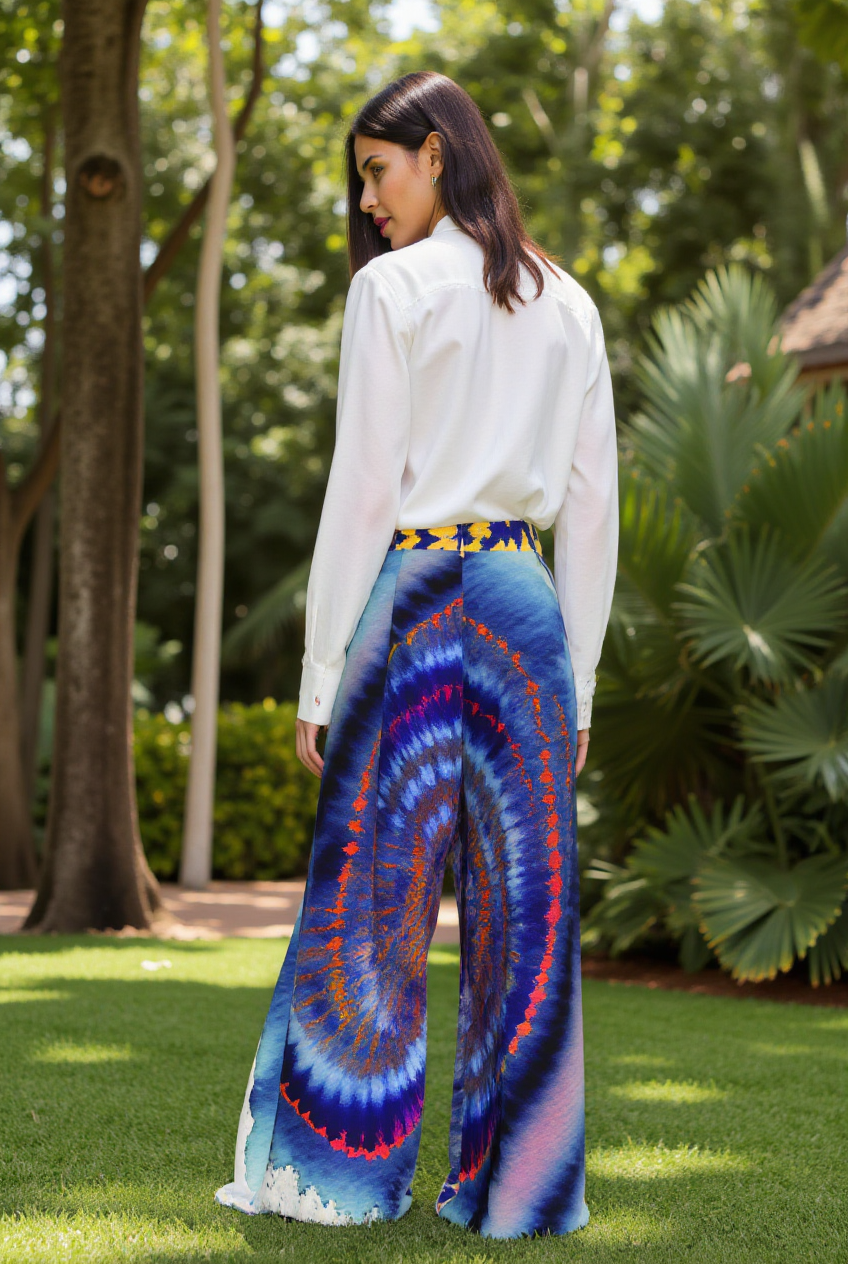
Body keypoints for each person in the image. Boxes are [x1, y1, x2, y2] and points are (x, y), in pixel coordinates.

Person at [215, 69, 618, 1239]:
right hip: (524, 606)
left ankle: (335, 1178)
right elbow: (590, 508)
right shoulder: (570, 303)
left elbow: (362, 488)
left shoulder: (389, 289)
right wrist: (579, 679)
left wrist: (319, 668)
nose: (366, 199)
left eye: (376, 171)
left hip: (418, 590)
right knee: (523, 915)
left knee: (369, 896)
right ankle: (518, 1192)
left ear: (436, 153)